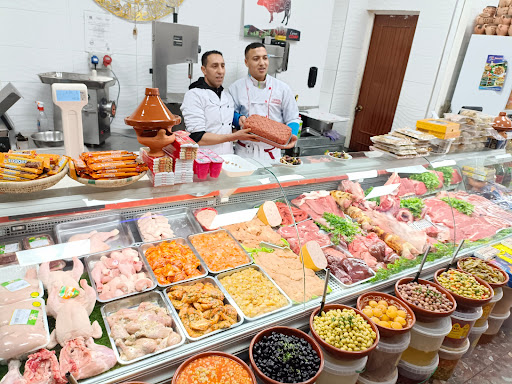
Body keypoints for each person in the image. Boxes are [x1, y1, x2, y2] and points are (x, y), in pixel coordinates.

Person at [229, 42, 300, 162]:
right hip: (244, 153)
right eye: (256, 59)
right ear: (246, 62)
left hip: (272, 154)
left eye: (265, 58)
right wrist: (238, 118)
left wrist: (292, 135)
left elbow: (293, 117)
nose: (262, 63)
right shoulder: (235, 88)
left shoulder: (282, 88)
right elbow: (229, 113)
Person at [181, 50, 254, 155]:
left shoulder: (227, 96)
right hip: (204, 160)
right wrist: (235, 136)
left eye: (222, 66)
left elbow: (224, 127)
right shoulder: (194, 95)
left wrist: (240, 121)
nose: (220, 71)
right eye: (214, 66)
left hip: (228, 158)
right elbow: (197, 137)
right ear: (204, 70)